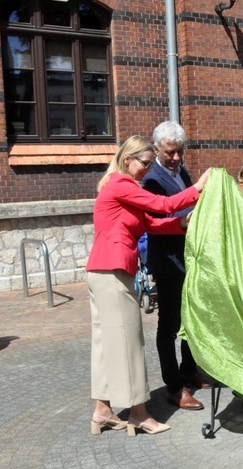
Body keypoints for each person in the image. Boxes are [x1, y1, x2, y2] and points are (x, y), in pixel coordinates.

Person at [88, 136, 209, 436]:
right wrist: (197, 189)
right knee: (129, 343)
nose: (146, 169)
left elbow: (152, 222)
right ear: (127, 159)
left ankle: (103, 410)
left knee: (105, 344)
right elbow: (163, 204)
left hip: (102, 270)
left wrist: (182, 224)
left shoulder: (118, 186)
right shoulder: (121, 184)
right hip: (113, 270)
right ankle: (139, 414)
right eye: (143, 162)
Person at [142, 121, 207, 412]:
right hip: (167, 261)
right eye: (170, 152)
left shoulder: (182, 171)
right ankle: (174, 387)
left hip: (189, 258)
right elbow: (158, 217)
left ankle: (189, 368)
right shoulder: (150, 179)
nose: (177, 158)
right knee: (169, 325)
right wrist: (184, 220)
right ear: (156, 148)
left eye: (180, 151)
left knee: (191, 317)